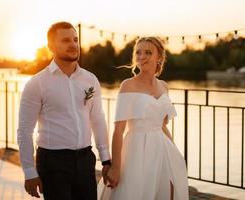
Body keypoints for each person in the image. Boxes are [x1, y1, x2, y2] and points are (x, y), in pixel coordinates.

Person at [17, 21, 111, 200]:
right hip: (53, 163)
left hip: (85, 160)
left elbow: (98, 120)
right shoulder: (36, 84)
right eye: (66, 40)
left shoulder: (90, 80)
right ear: (51, 46)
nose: (73, 44)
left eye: (75, 39)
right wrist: (29, 172)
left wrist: (106, 159)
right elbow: (24, 130)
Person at [98, 37, 189, 200]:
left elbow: (162, 126)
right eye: (138, 52)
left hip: (162, 149)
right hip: (136, 150)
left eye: (148, 52)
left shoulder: (164, 86)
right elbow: (118, 130)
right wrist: (116, 167)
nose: (142, 56)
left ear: (159, 57)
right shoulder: (128, 85)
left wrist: (174, 152)